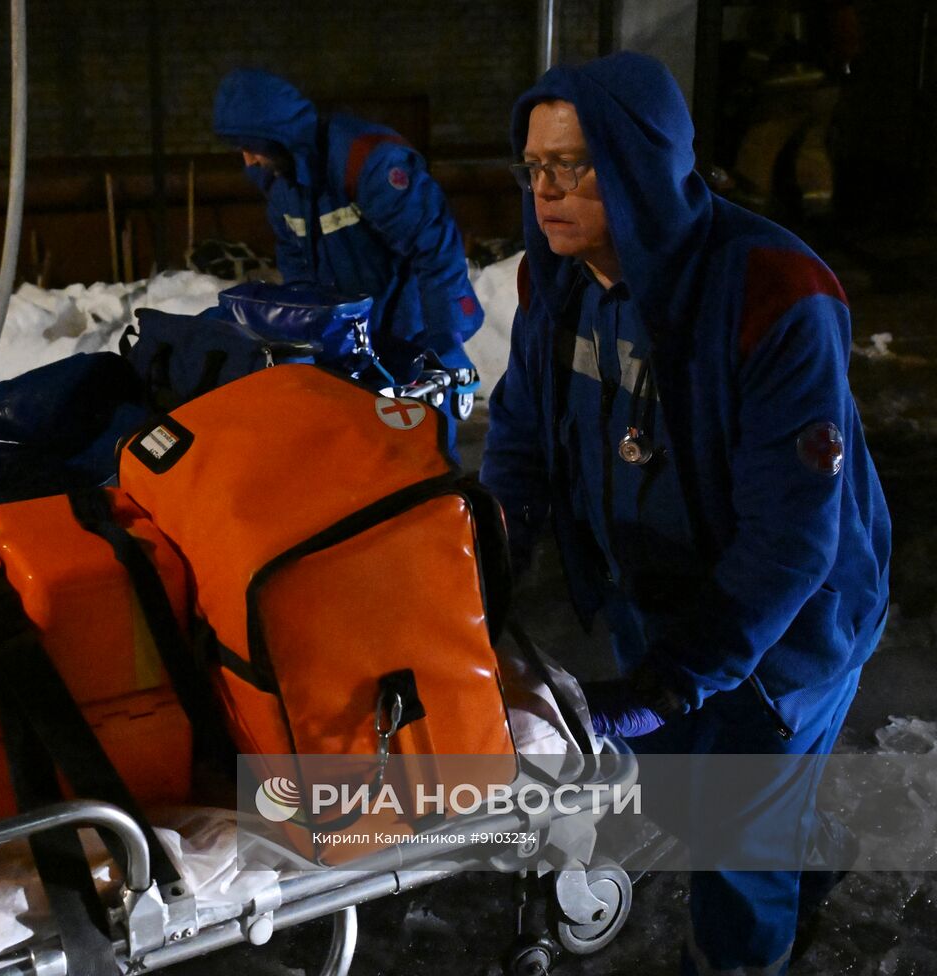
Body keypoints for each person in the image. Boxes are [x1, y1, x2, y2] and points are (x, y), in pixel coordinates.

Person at [479, 52, 889, 975]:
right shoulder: (559, 281)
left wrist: (673, 681)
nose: (547, 192)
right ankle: (805, 842)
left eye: (573, 164)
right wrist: (480, 562)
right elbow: (519, 442)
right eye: (534, 166)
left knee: (732, 863)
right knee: (677, 796)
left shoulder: (774, 294)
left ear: (641, 159)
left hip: (787, 626)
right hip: (658, 602)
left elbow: (791, 541)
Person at [212, 68, 483, 445]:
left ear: (278, 136)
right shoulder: (283, 185)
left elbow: (434, 248)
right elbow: (297, 271)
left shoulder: (368, 162)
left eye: (252, 147)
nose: (248, 161)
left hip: (407, 333)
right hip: (346, 345)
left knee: (422, 452)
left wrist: (445, 340)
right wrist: (305, 335)